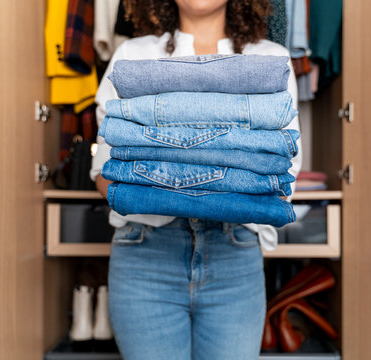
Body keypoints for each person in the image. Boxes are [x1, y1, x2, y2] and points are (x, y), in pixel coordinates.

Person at [89, 0, 302, 358]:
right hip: (146, 256)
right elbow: (105, 170)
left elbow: (283, 169)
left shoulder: (271, 62)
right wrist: (213, 184)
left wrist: (163, 180)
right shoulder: (132, 57)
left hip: (233, 259)